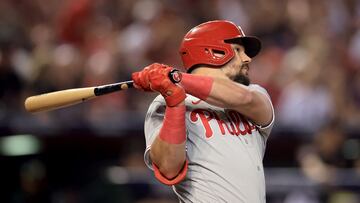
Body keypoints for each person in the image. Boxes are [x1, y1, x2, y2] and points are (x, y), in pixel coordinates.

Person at [132, 20, 274, 203]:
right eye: (238, 50)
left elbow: (244, 99)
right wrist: (175, 102)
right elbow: (169, 168)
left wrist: (176, 78)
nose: (247, 59)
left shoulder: (254, 92)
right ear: (213, 51)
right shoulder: (164, 103)